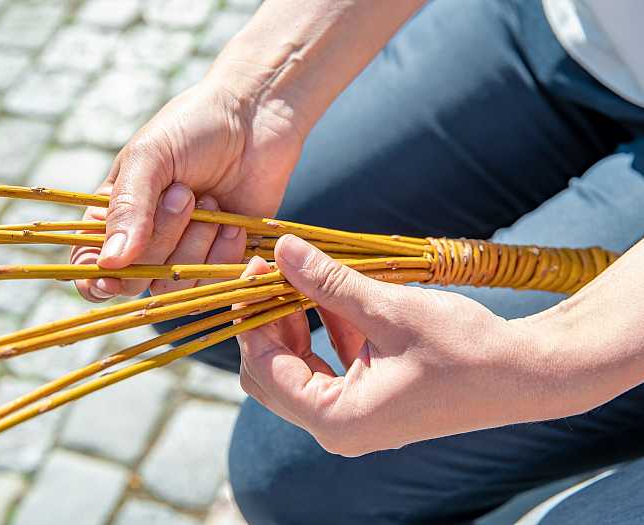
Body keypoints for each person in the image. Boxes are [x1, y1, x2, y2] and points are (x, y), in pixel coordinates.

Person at [71, 0, 644, 522]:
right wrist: (253, 97)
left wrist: (554, 358)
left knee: (291, 474)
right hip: (576, 30)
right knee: (201, 297)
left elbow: (555, 355)